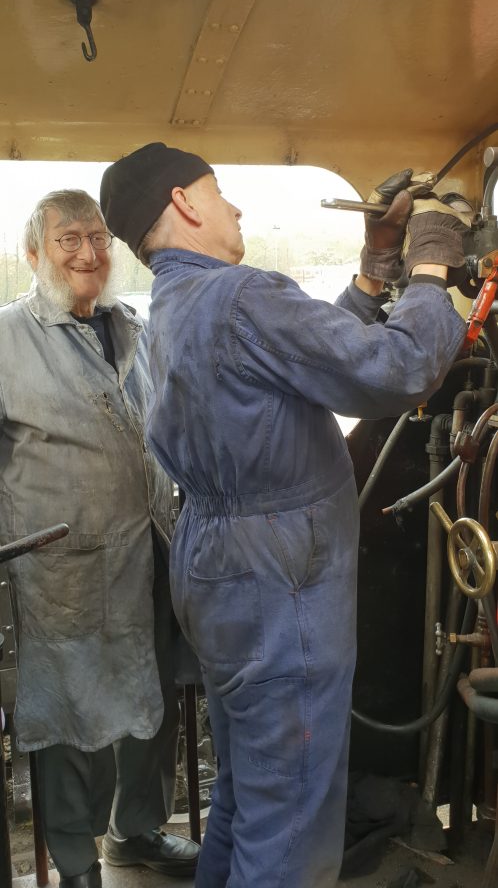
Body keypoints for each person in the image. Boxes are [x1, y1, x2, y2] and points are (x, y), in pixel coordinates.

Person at [100, 145, 468, 888]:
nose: (235, 209)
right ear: (185, 204)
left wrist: (375, 266)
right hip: (280, 580)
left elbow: (301, 360)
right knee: (293, 824)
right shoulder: (240, 295)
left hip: (216, 566)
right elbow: (396, 370)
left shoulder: (175, 307)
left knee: (246, 797)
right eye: (221, 193)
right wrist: (430, 268)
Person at [0, 190, 199, 887]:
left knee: (154, 704)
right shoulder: (6, 339)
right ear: (34, 255)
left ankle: (136, 834)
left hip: (148, 551)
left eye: (97, 238)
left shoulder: (132, 328)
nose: (88, 253)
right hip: (63, 567)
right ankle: (78, 861)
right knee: (67, 716)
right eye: (67, 241)